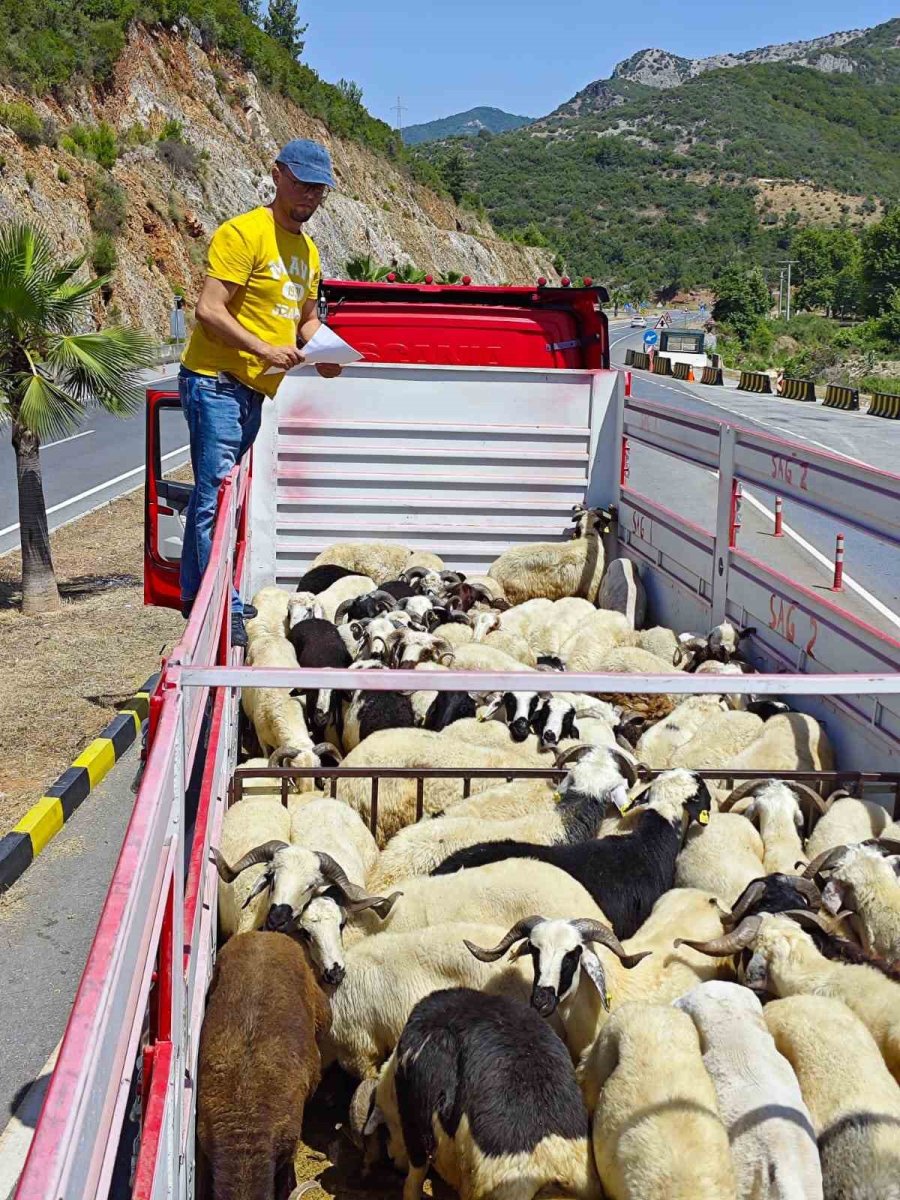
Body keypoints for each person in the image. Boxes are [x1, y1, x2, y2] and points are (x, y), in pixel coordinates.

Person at [178, 138, 342, 647]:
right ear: (276, 176)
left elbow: (306, 321)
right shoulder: (243, 233)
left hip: (252, 394)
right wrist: (264, 351)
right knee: (214, 500)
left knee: (219, 500)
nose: (309, 196)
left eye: (318, 189)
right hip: (215, 384)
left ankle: (198, 599)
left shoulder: (308, 251)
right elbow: (208, 309)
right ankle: (219, 611)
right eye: (301, 184)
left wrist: (331, 353)